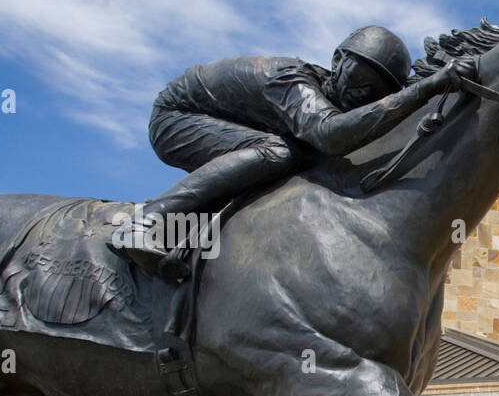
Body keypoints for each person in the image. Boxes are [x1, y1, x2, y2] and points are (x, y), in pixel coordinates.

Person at [115, 26, 476, 279]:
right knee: (279, 153)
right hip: (177, 118)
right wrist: (430, 86)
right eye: (359, 77)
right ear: (338, 59)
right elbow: (330, 134)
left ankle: (196, 236)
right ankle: (145, 222)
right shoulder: (292, 81)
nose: (360, 93)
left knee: (298, 158)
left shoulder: (323, 97)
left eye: (374, 91)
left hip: (227, 124)